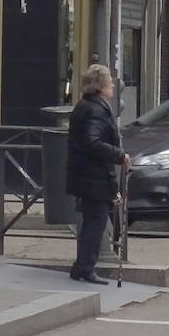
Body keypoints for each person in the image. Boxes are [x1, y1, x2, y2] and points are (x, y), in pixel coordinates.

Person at [66, 64, 130, 285]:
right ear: (100, 86)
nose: (113, 84)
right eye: (109, 81)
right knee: (96, 222)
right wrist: (118, 155)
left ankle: (81, 266)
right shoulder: (95, 109)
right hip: (93, 176)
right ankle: (85, 267)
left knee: (92, 221)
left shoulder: (86, 106)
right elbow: (92, 142)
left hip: (85, 174)